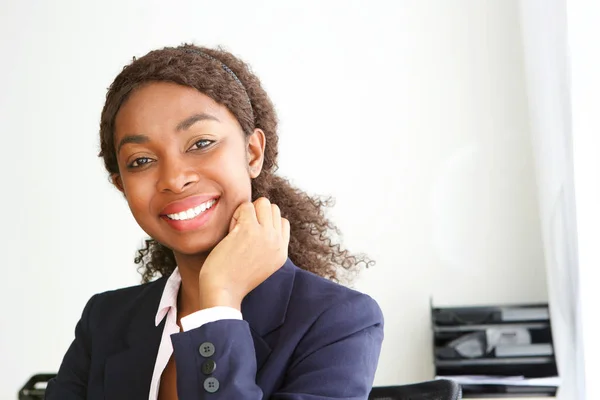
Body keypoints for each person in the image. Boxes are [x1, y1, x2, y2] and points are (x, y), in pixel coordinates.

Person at [46, 44, 384, 400]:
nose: (174, 179)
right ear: (121, 185)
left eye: (201, 142)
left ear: (252, 153)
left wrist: (218, 303)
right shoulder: (104, 321)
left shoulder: (337, 321)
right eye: (141, 161)